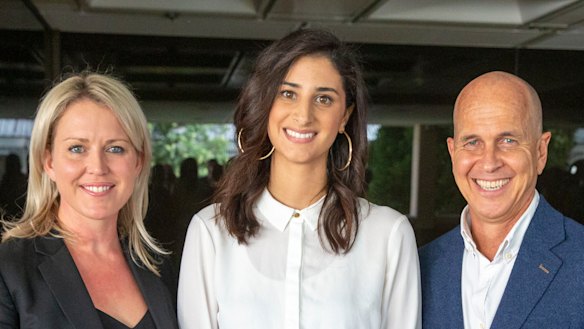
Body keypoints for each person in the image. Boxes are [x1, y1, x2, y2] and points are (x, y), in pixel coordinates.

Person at [178, 29, 421, 329]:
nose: (303, 115)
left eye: (323, 98)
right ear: (266, 103)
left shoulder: (388, 235)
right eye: (288, 94)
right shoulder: (211, 232)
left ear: (344, 116)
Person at [0, 72, 179, 329]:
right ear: (48, 162)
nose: (97, 166)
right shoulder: (10, 269)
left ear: (138, 162)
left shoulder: (158, 267)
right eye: (77, 148)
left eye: (115, 148)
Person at [419, 71, 584, 329]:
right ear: (453, 153)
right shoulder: (418, 268)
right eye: (472, 142)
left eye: (508, 140)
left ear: (541, 152)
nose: (489, 162)